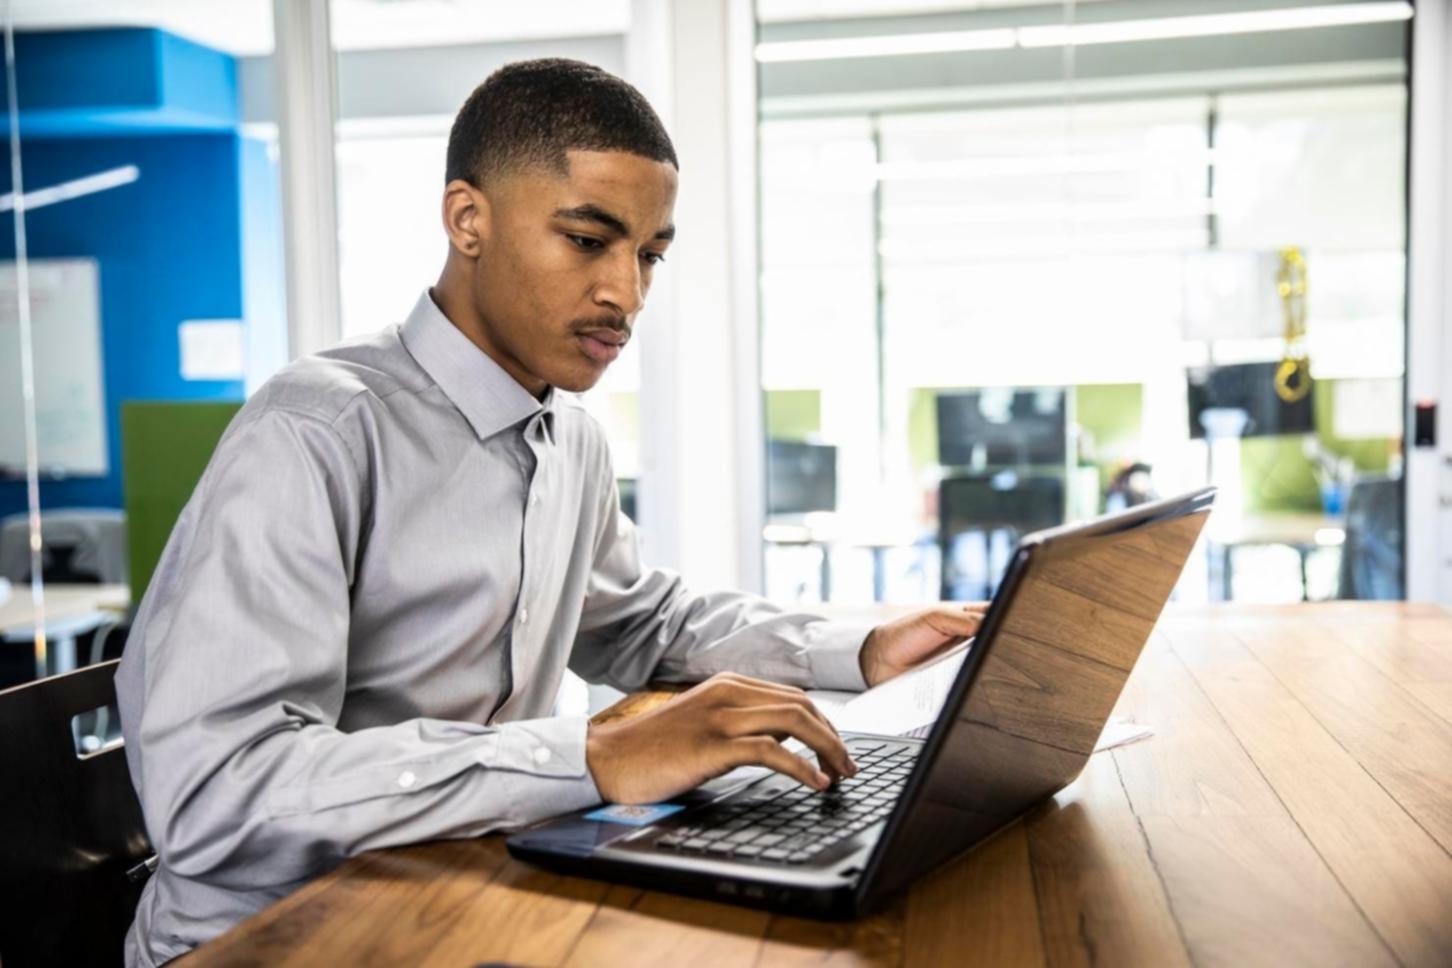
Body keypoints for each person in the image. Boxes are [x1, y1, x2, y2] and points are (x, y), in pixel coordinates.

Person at [115, 58, 984, 966]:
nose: (628, 294)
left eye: (649, 254)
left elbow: (642, 622)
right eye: (587, 240)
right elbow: (215, 795)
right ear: (468, 220)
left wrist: (860, 648)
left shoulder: (570, 437)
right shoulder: (315, 431)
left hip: (461, 891)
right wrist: (595, 756)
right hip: (271, 935)